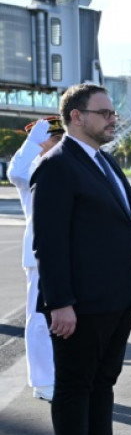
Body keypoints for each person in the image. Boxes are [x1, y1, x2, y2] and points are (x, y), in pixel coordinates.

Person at [31, 83, 131, 435]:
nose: (113, 119)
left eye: (113, 113)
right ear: (77, 117)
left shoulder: (104, 161)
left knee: (102, 385)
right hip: (79, 304)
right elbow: (49, 242)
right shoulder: (57, 165)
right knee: (74, 388)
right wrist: (59, 302)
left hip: (116, 299)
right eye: (105, 113)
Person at [9, 116, 63, 402]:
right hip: (40, 255)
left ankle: (62, 375)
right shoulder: (31, 169)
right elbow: (15, 172)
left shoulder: (66, 166)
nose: (60, 144)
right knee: (40, 320)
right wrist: (30, 144)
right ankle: (43, 382)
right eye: (54, 139)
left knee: (70, 319)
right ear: (41, 143)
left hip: (71, 254)